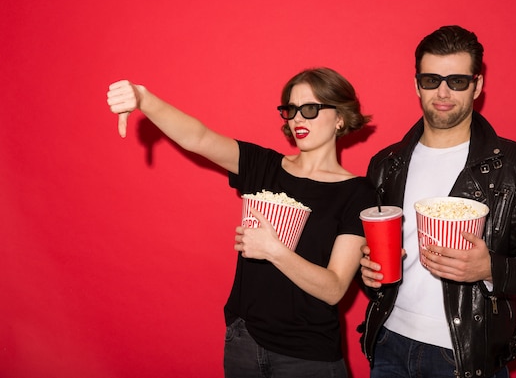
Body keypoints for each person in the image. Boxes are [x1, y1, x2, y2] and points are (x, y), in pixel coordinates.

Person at [106, 67, 377, 378]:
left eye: (311, 109)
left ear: (340, 117)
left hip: (307, 357)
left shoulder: (357, 193)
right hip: (244, 344)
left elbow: (334, 288)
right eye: (291, 109)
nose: (298, 118)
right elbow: (199, 137)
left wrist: (273, 250)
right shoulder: (264, 167)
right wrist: (144, 98)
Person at [358, 25, 516, 378]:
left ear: (477, 85)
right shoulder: (387, 164)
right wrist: (368, 273)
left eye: (458, 81)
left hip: (463, 355)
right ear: (416, 84)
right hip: (389, 343)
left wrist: (488, 268)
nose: (443, 92)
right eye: (431, 80)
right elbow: (375, 258)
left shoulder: (514, 164)